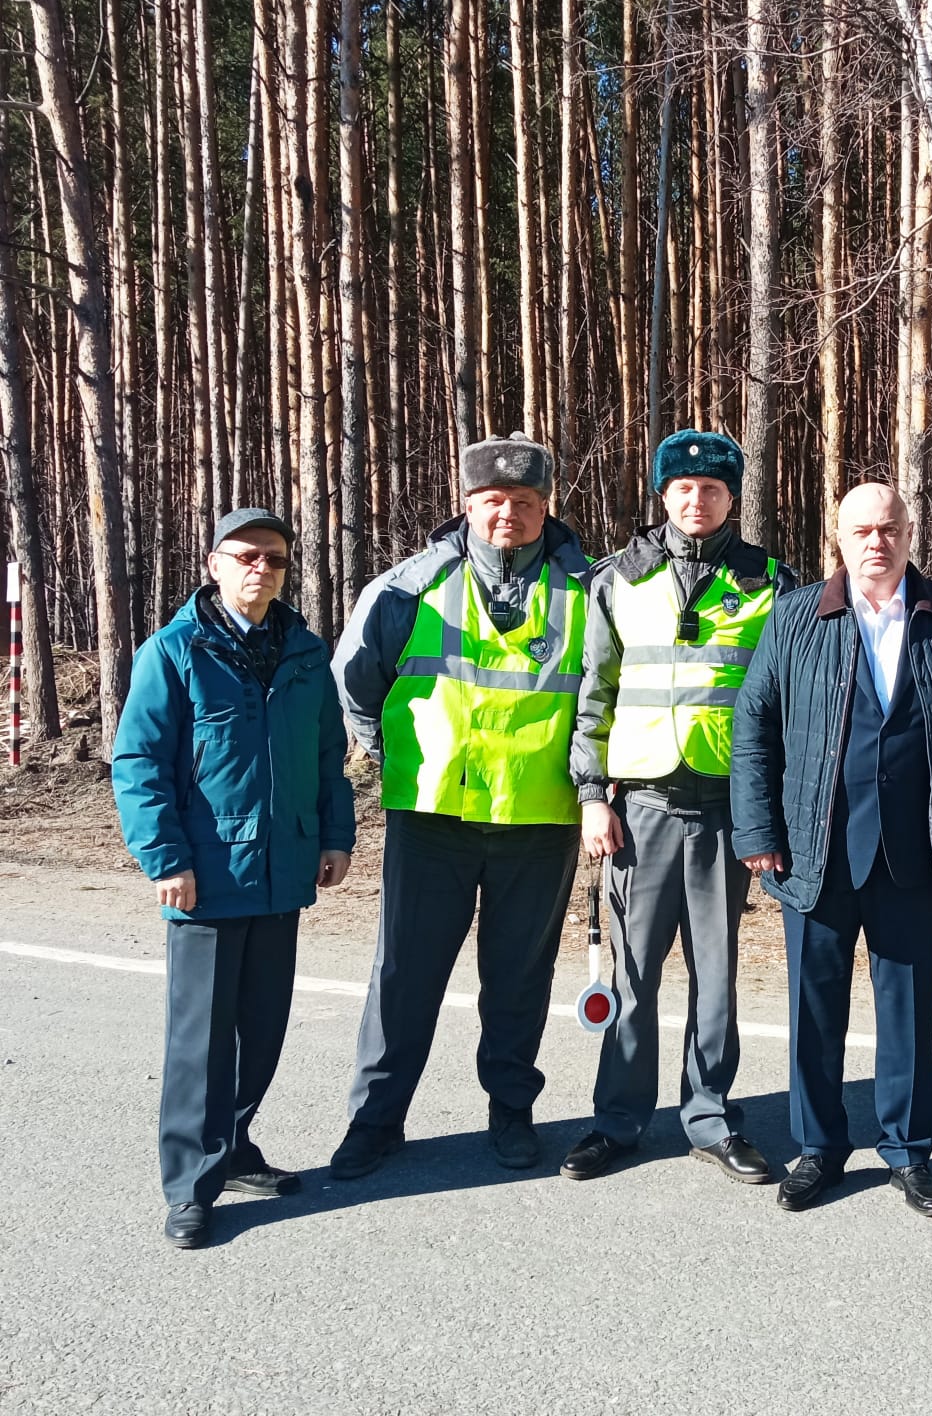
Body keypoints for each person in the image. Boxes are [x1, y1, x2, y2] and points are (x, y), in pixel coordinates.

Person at [729, 483, 932, 1218]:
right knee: (813, 1010)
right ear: (838, 534)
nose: (876, 542)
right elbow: (754, 726)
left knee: (909, 1011)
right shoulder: (796, 616)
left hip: (916, 849)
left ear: (910, 532)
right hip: (814, 850)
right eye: (861, 529)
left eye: (889, 528)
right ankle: (819, 1151)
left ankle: (908, 1153)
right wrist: (758, 831)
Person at [329, 433, 592, 1180]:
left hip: (540, 823)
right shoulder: (408, 587)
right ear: (467, 505)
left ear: (546, 508)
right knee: (403, 977)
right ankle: (375, 1120)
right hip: (434, 820)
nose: (508, 514)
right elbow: (355, 684)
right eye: (493, 502)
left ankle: (511, 1110)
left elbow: (600, 701)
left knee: (518, 980)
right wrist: (392, 761)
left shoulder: (588, 590)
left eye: (525, 502)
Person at [113, 508, 355, 1250]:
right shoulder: (175, 651)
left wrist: (336, 837)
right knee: (202, 1041)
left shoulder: (306, 652)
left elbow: (325, 759)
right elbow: (139, 766)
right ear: (214, 563)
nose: (261, 569)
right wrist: (166, 859)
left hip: (283, 872)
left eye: (275, 559)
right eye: (246, 556)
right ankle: (190, 1184)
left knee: (262, 1030)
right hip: (207, 877)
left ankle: (235, 1145)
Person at [561, 431, 796, 1183]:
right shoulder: (615, 580)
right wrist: (593, 798)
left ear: (733, 497)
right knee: (634, 975)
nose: (698, 500)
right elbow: (591, 697)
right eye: (683, 487)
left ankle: (710, 1116)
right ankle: (618, 1122)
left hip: (728, 808)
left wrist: (772, 812)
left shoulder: (771, 581)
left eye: (713, 488)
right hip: (644, 809)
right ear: (664, 494)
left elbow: (785, 704)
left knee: (716, 974)